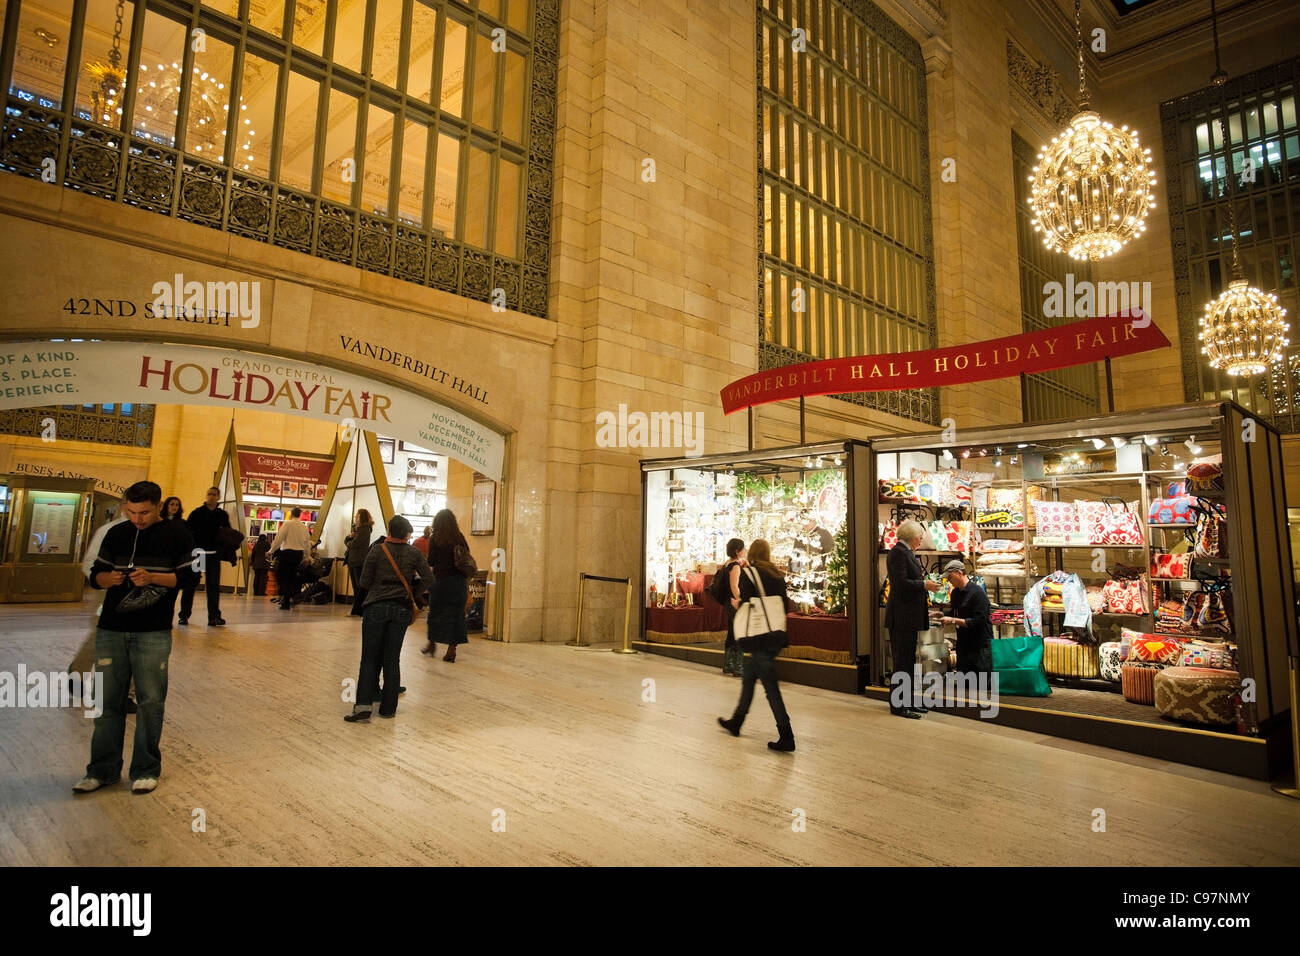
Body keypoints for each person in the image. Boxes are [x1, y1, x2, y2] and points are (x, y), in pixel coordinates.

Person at [73, 481, 197, 794]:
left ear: (159, 507)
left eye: (144, 512)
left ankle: (145, 768)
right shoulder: (117, 533)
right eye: (132, 512)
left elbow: (187, 577)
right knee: (106, 702)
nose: (137, 518)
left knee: (150, 701)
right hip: (111, 629)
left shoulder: (178, 535)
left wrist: (152, 577)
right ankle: (102, 770)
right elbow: (95, 576)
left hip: (152, 631)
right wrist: (108, 578)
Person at [345, 515, 433, 722]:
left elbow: (364, 581)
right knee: (392, 658)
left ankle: (363, 706)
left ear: (390, 531)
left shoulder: (377, 550)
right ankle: (388, 708)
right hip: (401, 608)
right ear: (407, 533)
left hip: (376, 606)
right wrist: (412, 590)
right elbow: (429, 578)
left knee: (369, 657)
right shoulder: (414, 553)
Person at [716, 539, 796, 752]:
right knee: (749, 680)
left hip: (757, 636)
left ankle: (786, 734)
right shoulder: (778, 575)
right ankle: (737, 721)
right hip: (774, 634)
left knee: (771, 688)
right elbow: (784, 604)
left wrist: (737, 603)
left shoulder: (749, 573)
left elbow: (746, 602)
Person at [884, 519, 942, 719]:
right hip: (901, 618)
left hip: (907, 617)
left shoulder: (905, 552)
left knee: (908, 662)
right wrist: (924, 585)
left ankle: (907, 702)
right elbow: (900, 584)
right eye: (920, 537)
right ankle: (899, 705)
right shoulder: (898, 553)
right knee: (902, 662)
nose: (921, 540)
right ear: (913, 537)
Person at [422, 509, 472, 663]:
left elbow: (430, 561)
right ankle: (451, 649)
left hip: (440, 582)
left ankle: (432, 644)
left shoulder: (435, 538)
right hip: (458, 583)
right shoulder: (459, 537)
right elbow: (467, 556)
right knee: (456, 615)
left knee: (435, 613)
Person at [180, 487, 231, 626]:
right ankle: (184, 615)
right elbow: (188, 532)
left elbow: (227, 533)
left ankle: (213, 616)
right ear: (206, 495)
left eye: (214, 495)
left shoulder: (222, 515)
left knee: (213, 586)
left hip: (213, 554)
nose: (211, 497)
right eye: (209, 494)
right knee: (190, 585)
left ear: (218, 497)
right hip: (198, 554)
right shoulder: (197, 513)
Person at [940, 559, 993, 679]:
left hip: (979, 646)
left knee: (984, 686)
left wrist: (953, 620)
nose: (948, 580)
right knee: (964, 685)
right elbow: (955, 613)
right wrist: (941, 616)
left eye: (950, 576)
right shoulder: (955, 593)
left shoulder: (978, 593)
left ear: (959, 573)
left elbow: (978, 621)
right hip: (963, 645)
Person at [268, 506, 311, 610]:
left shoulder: (287, 524)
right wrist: (307, 556)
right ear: (300, 514)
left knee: (281, 576)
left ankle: (285, 599)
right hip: (298, 555)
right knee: (291, 576)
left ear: (291, 514)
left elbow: (279, 538)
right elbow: (307, 543)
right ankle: (288, 598)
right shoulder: (303, 526)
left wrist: (271, 551)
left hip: (287, 553)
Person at [718, 538, 746, 677]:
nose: (745, 550)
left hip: (727, 602)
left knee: (731, 632)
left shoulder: (726, 563)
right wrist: (740, 600)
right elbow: (734, 586)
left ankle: (728, 664)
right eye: (743, 548)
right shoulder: (735, 565)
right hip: (733, 602)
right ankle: (738, 666)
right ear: (737, 551)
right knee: (738, 632)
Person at [344, 509, 374, 617]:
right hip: (353, 560)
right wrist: (349, 539)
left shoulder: (365, 530)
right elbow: (349, 542)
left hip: (358, 560)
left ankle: (358, 610)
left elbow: (353, 544)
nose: (355, 517)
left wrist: (349, 540)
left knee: (359, 586)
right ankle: (357, 610)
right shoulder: (359, 530)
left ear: (361, 517)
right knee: (356, 586)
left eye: (357, 516)